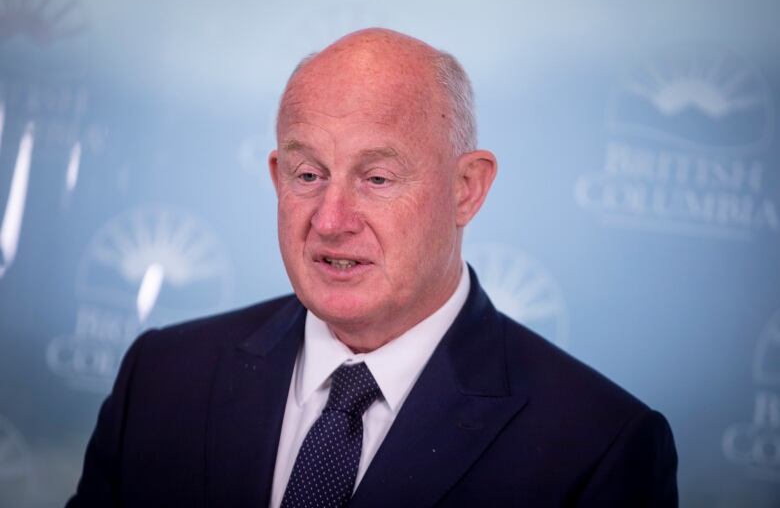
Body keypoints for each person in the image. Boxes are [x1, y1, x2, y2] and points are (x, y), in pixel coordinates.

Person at [68, 28, 678, 507]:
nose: (331, 220)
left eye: (377, 179)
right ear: (278, 179)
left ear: (467, 189)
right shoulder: (161, 378)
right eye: (309, 176)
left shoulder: (599, 446)